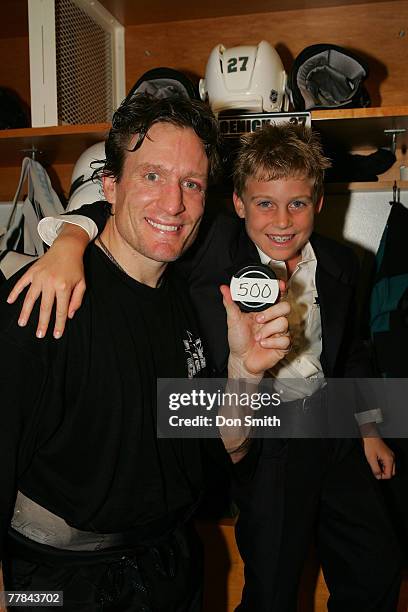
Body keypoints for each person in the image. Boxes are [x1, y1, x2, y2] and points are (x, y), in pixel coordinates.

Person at [6, 123, 401, 611]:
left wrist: (370, 427)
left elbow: (355, 348)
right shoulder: (208, 245)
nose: (281, 219)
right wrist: (68, 240)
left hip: (324, 422)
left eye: (297, 203)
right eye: (263, 203)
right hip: (258, 431)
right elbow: (133, 213)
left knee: (378, 561)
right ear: (237, 204)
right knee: (273, 580)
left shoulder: (344, 261)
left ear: (318, 204)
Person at [0, 94, 291, 612]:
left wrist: (245, 375)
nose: (173, 204)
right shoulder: (44, 298)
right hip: (57, 588)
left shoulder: (180, 298)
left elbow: (227, 451)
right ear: (110, 187)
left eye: (191, 184)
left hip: (172, 570)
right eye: (151, 176)